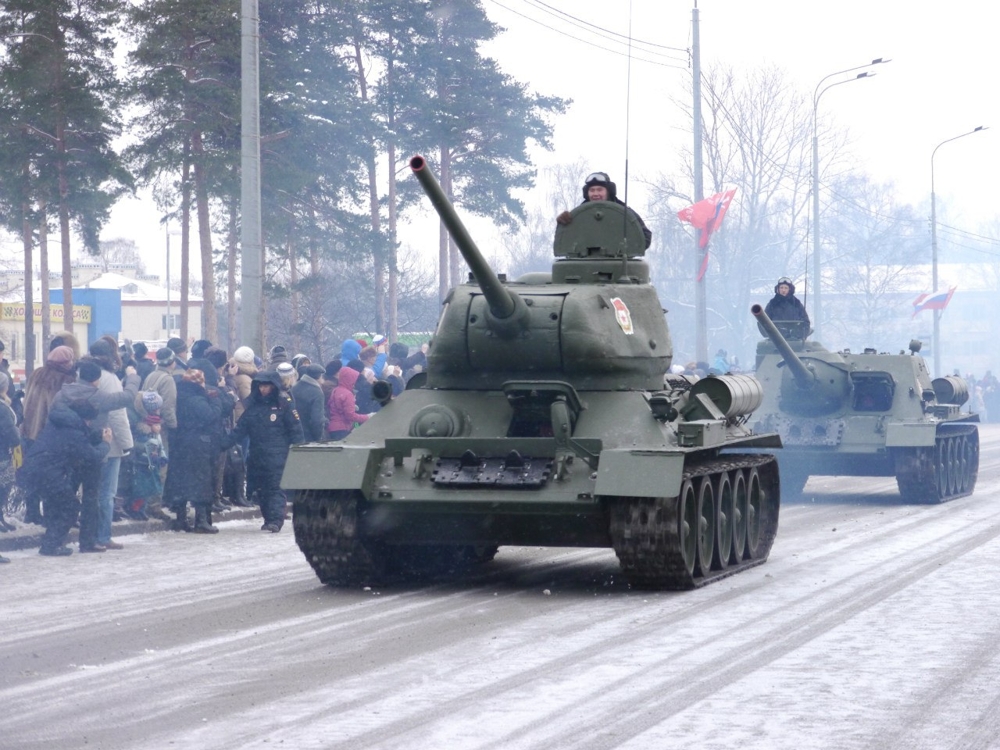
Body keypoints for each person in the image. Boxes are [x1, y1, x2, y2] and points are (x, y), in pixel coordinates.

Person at [48, 358, 138, 553]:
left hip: (66, 453)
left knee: (66, 497)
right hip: (92, 452)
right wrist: (132, 376)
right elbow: (129, 397)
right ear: (97, 380)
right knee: (91, 497)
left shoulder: (61, 394)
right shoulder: (100, 397)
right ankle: (87, 542)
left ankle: (57, 539)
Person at [22, 400, 112, 557]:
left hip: (35, 468)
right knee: (70, 507)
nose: (90, 424)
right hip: (48, 472)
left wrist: (96, 436)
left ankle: (51, 542)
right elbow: (92, 455)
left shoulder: (60, 422)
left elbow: (78, 440)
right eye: (90, 421)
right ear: (85, 419)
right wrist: (105, 444)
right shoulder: (73, 431)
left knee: (59, 505)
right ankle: (51, 545)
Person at [224, 370, 304, 532]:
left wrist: (298, 452)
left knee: (275, 488)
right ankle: (268, 518)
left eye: (266, 386)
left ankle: (275, 520)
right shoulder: (253, 407)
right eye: (261, 386)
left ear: (273, 387)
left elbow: (296, 430)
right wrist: (221, 444)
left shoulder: (284, 404)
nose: (263, 390)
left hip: (278, 455)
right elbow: (240, 430)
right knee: (261, 489)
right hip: (257, 455)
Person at [19, 345, 78, 525]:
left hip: (29, 430)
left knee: (33, 474)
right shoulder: (64, 379)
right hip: (48, 434)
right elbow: (58, 409)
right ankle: (51, 514)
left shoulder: (37, 374)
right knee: (52, 476)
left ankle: (32, 511)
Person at [162, 367, 223, 533]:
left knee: (180, 481)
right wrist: (216, 401)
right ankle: (201, 521)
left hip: (179, 443)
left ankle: (181, 519)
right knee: (201, 481)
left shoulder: (178, 395)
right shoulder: (196, 399)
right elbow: (210, 415)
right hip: (197, 445)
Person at [556, 171, 652, 248]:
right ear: (587, 193)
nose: (595, 194)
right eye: (592, 190)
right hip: (584, 263)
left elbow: (645, 238)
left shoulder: (623, 212)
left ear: (608, 191)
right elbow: (564, 240)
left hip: (619, 263)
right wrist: (562, 222)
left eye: (600, 190)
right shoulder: (579, 215)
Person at [327, 365, 370, 440]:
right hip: (342, 429)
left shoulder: (336, 390)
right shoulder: (348, 394)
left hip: (333, 428)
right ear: (349, 379)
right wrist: (368, 417)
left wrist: (356, 427)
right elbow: (350, 416)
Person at [291, 363, 326, 442]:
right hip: (309, 436)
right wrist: (318, 438)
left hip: (295, 433)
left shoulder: (295, 388)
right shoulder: (317, 393)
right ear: (319, 377)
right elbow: (317, 420)